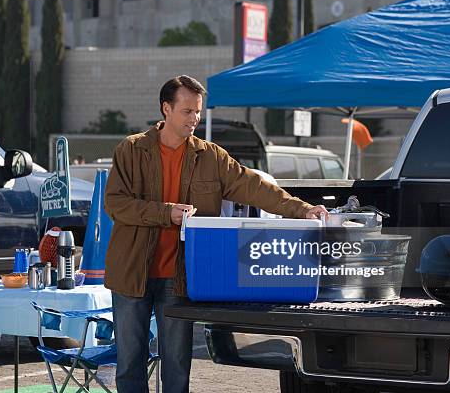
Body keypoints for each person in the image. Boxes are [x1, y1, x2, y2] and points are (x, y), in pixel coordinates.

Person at [104, 75, 327, 393]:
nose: (194, 119)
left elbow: (255, 187)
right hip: (130, 274)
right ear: (166, 109)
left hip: (179, 278)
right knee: (129, 366)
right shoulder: (130, 149)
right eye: (187, 111)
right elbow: (115, 204)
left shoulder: (210, 157)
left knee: (178, 366)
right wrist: (166, 212)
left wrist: (302, 209)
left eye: (198, 111)